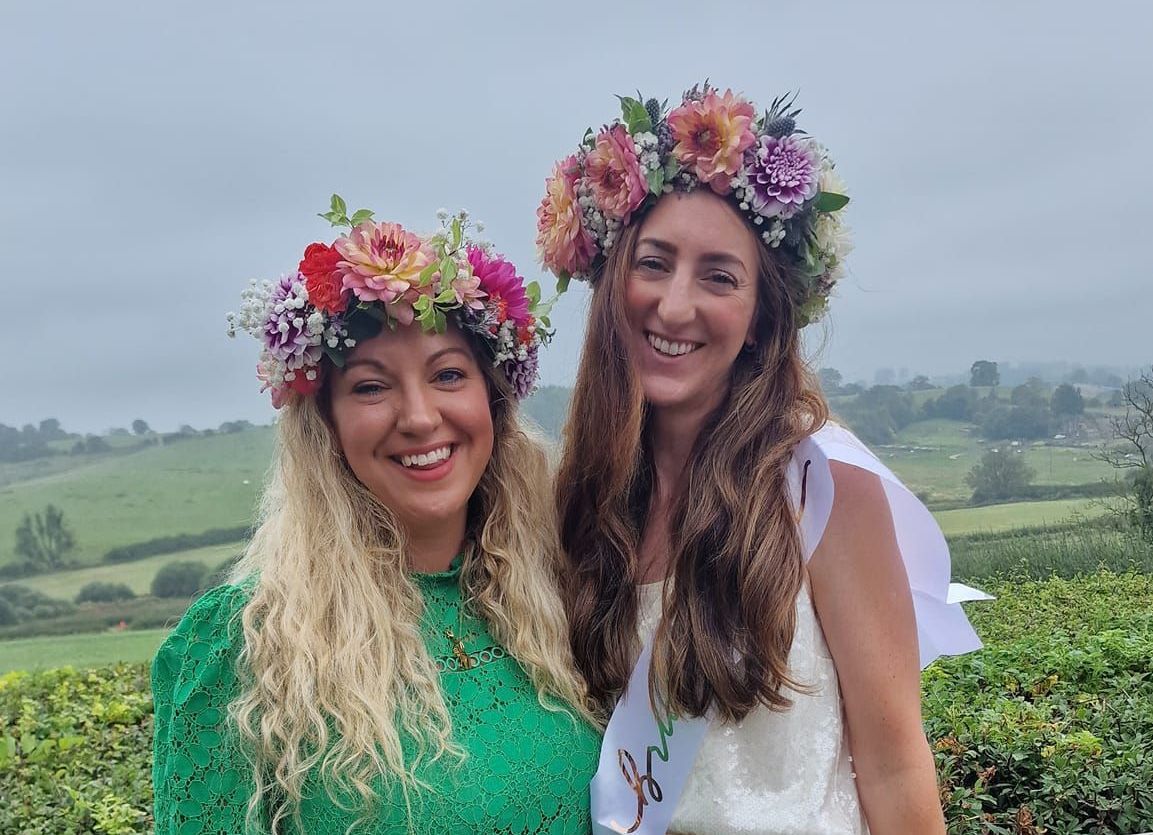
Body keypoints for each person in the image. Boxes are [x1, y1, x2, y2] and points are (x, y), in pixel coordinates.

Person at [536, 85, 987, 834]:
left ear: (757, 320)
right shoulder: (585, 498)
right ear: (613, 286)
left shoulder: (819, 483)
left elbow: (893, 762)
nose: (675, 307)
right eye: (653, 263)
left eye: (718, 275)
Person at [152, 200, 600, 834]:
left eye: (448, 374)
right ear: (326, 425)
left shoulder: (557, 596)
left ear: (493, 403)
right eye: (371, 386)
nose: (419, 417)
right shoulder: (239, 647)